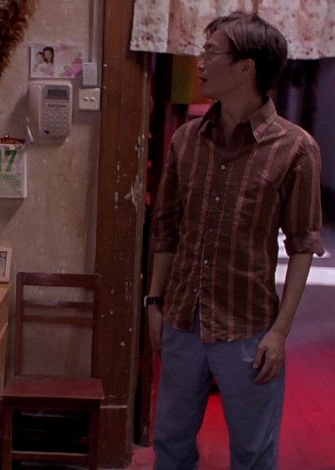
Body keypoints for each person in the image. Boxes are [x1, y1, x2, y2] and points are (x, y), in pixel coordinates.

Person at [147, 11, 325, 470]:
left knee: (253, 453)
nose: (200, 61)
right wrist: (154, 302)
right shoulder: (187, 140)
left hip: (248, 328)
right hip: (183, 319)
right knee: (170, 443)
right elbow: (166, 230)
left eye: (211, 51)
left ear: (247, 67)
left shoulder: (295, 149)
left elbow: (303, 245)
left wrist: (280, 332)